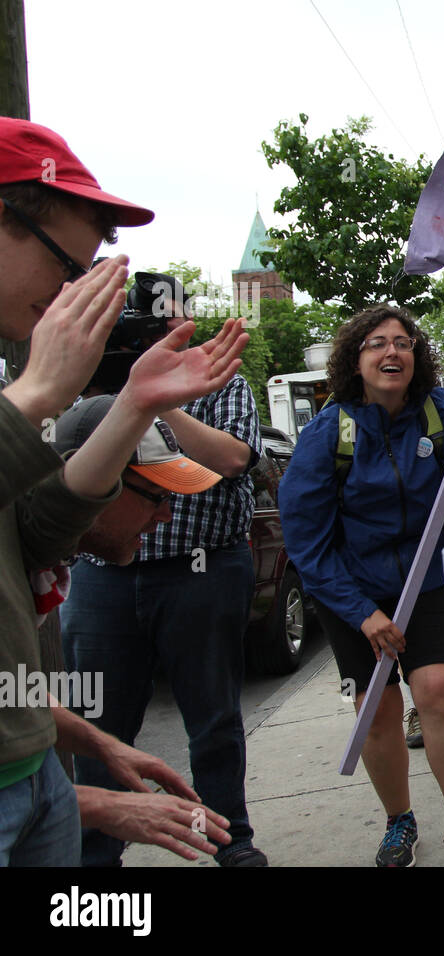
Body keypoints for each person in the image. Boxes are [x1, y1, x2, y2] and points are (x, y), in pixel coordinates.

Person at [0, 116, 247, 866]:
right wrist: (40, 391)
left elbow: (34, 538)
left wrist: (136, 404)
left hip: (29, 768)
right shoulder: (29, 383)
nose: (75, 295)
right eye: (67, 267)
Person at [278, 305, 444, 867]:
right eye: (376, 343)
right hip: (352, 590)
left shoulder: (441, 410)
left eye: (403, 342)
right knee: (376, 708)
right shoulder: (329, 431)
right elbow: (307, 543)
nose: (392, 352)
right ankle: (399, 822)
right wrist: (360, 613)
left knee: (438, 693)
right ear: (356, 361)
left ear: (416, 356)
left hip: (423, 581)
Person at [61, 272, 268, 868]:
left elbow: (232, 458)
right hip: (104, 572)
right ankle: (96, 858)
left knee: (214, 719)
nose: (167, 331)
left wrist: (158, 397)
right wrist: (127, 390)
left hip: (200, 571)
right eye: (152, 322)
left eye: (176, 320)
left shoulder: (219, 380)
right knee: (98, 722)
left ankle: (230, 839)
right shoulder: (95, 380)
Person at [51, 394, 240, 862]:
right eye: (156, 496)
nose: (167, 515)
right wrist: (96, 803)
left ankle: (229, 839)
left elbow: (13, 708)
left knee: (213, 720)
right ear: (95, 480)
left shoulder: (40, 567)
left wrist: (99, 746)